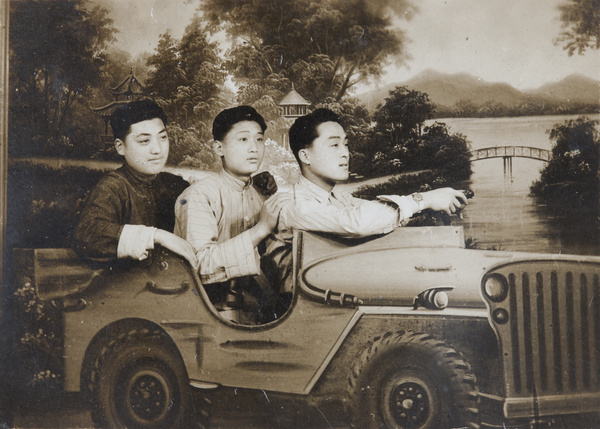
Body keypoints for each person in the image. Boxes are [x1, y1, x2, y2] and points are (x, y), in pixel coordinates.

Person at [265, 108, 468, 292]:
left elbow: (374, 213)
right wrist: (423, 199)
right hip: (304, 314)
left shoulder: (339, 199)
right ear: (305, 156)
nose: (345, 153)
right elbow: (357, 223)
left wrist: (429, 204)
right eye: (334, 145)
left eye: (345, 144)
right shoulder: (292, 205)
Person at [174, 106, 288, 323]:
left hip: (254, 308)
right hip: (208, 313)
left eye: (259, 139)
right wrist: (261, 229)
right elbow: (200, 265)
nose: (254, 148)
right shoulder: (198, 195)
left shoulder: (258, 194)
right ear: (219, 148)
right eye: (243, 140)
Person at [74, 99, 197, 267]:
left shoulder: (176, 184)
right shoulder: (113, 186)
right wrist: (157, 236)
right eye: (144, 141)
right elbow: (87, 235)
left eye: (163, 137)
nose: (157, 149)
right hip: (126, 285)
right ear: (120, 147)